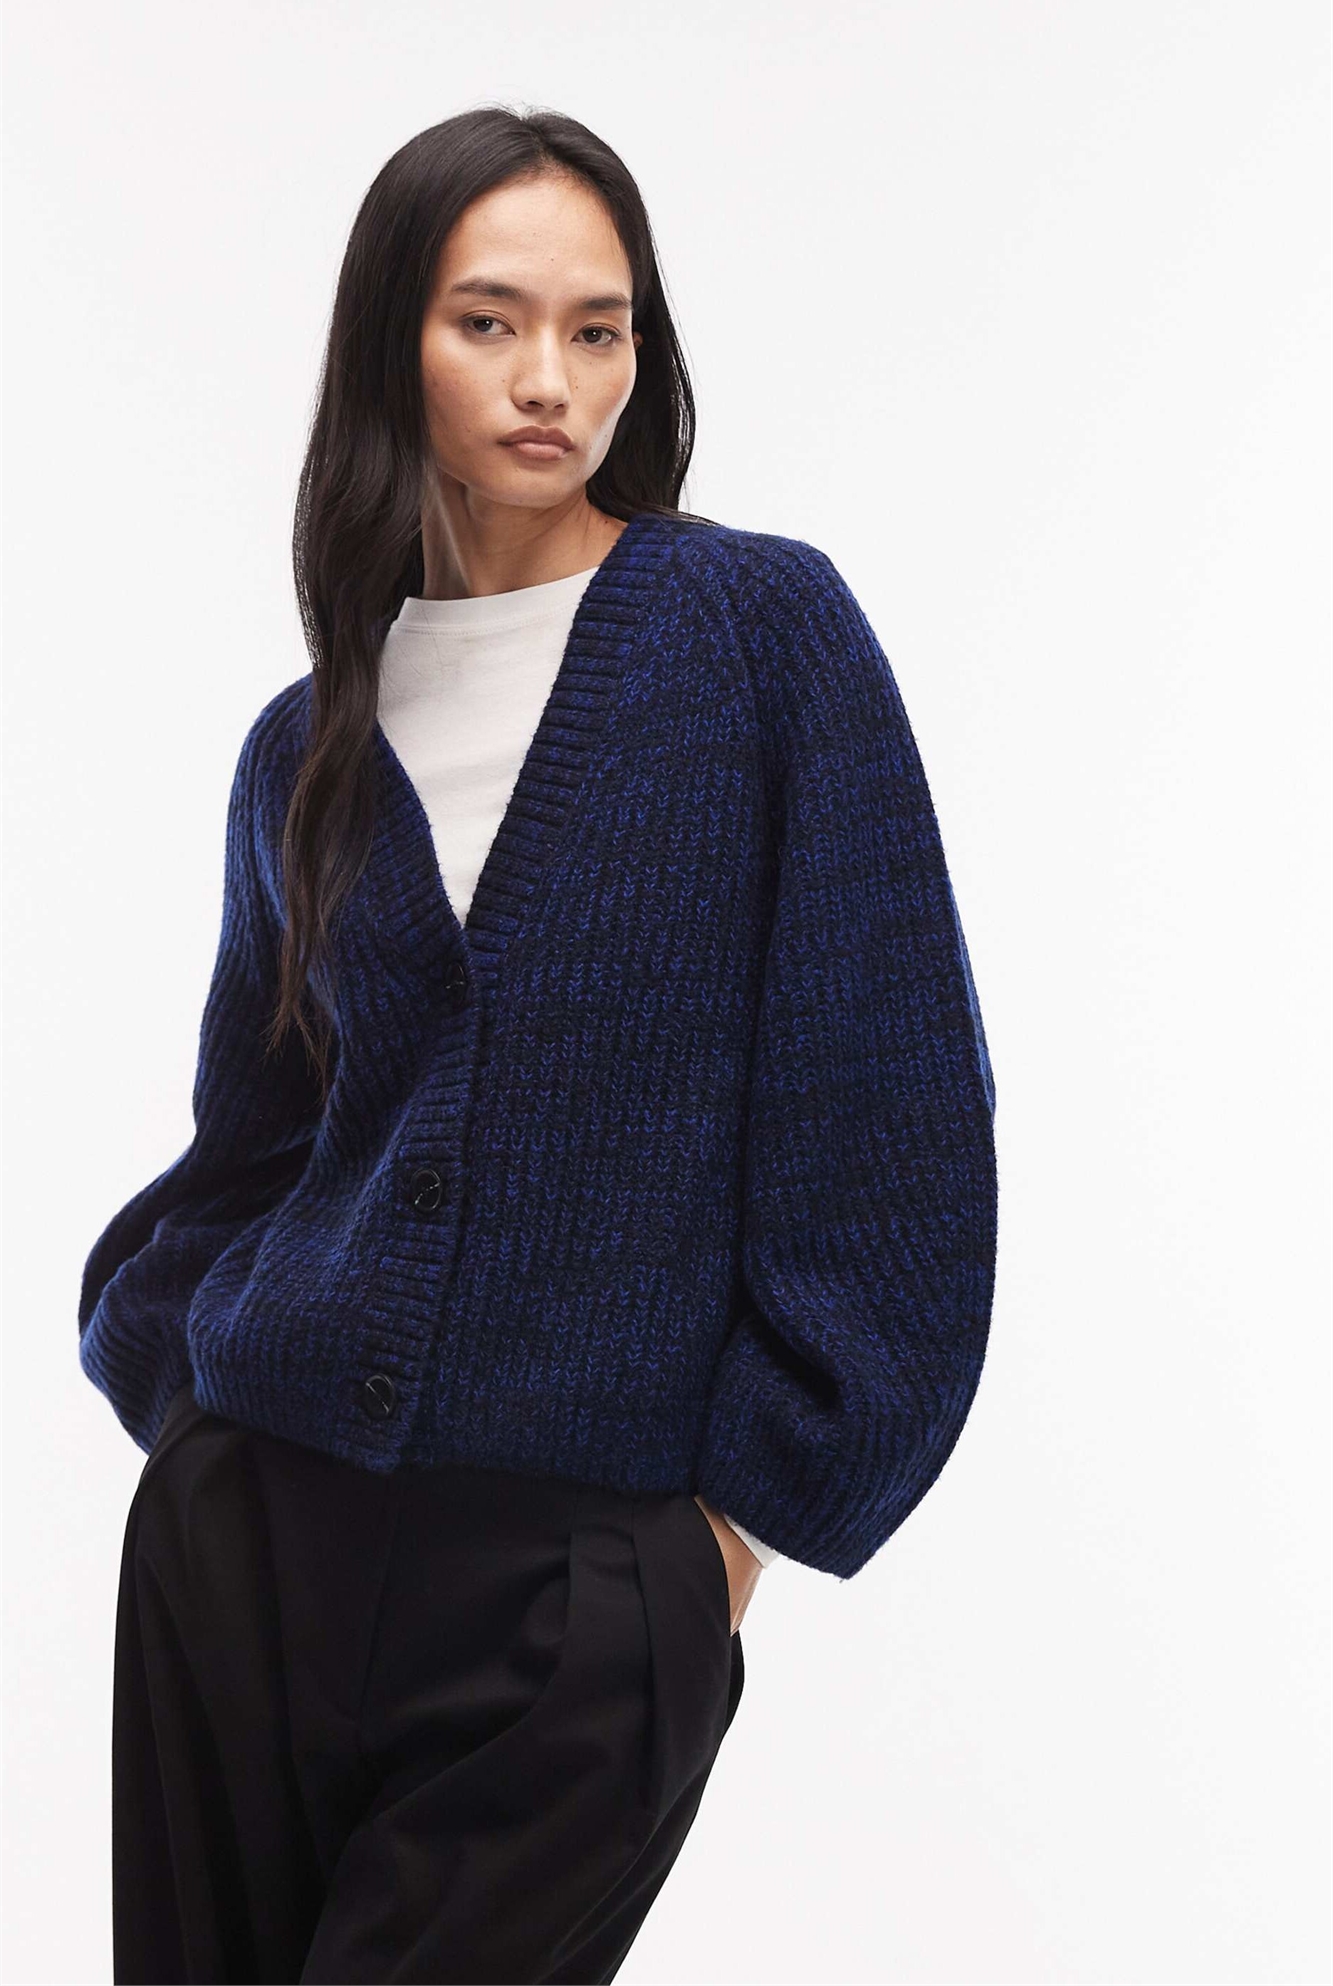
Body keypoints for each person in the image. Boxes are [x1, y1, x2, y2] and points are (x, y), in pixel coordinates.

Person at [78, 105, 999, 1986]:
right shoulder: (305, 744)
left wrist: (728, 1537)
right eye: (488, 322)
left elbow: (890, 1100)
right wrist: (185, 1408)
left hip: (581, 1585)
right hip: (245, 1546)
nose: (549, 381)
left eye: (599, 329)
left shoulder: (756, 637)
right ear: (388, 343)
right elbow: (252, 1147)